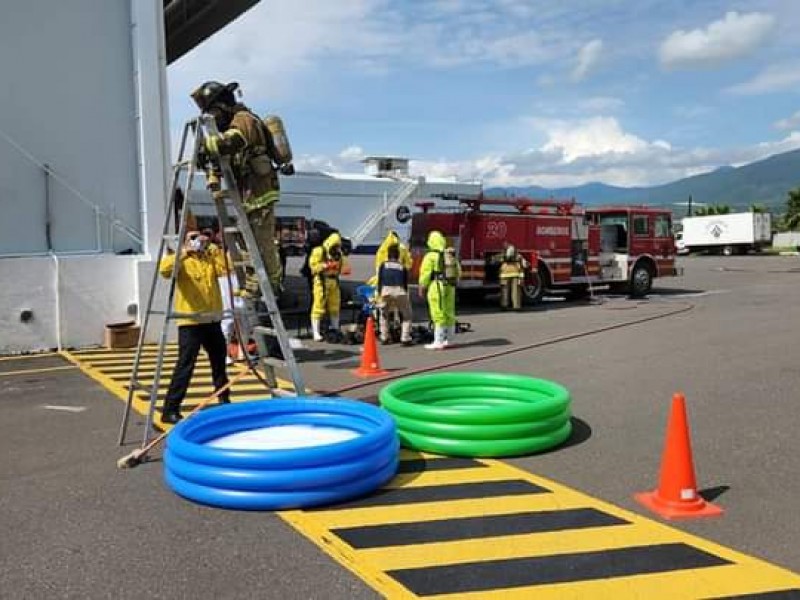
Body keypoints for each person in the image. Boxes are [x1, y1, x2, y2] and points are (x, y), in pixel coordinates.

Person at [190, 81, 294, 295]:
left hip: (260, 191)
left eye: (214, 112)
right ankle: (253, 283)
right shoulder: (233, 122)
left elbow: (232, 142)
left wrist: (207, 145)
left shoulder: (244, 119)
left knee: (262, 241)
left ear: (223, 106)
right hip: (247, 194)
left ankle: (272, 286)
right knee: (246, 240)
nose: (215, 119)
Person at [159, 230, 231, 424]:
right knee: (185, 365)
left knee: (219, 363)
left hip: (211, 320)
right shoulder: (181, 260)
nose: (197, 240)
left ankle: (224, 399)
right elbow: (164, 271)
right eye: (192, 237)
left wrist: (213, 247)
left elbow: (227, 269)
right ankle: (170, 408)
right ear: (184, 241)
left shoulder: (209, 258)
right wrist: (185, 251)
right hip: (190, 321)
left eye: (198, 237)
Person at [418, 231, 460, 350]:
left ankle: (438, 341)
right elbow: (458, 271)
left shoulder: (430, 256)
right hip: (449, 286)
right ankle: (450, 340)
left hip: (436, 286)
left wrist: (422, 287)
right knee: (449, 312)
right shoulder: (449, 254)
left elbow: (425, 273)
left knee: (438, 312)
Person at [308, 232, 348, 342]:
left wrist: (343, 269)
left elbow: (343, 267)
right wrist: (325, 266)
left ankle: (335, 328)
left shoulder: (338, 254)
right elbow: (313, 267)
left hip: (334, 281)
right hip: (321, 282)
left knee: (335, 306)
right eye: (334, 246)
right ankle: (316, 332)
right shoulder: (319, 251)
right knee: (318, 306)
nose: (336, 249)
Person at [376, 244, 413, 345]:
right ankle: (405, 338)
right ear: (398, 255)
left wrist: (379, 294)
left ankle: (384, 337)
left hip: (385, 290)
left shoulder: (383, 265)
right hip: (399, 290)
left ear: (388, 255)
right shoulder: (402, 267)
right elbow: (405, 283)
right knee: (407, 315)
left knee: (384, 314)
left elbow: (379, 280)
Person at [498, 243, 529, 311]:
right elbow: (525, 265)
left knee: (504, 291)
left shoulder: (503, 256)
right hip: (516, 275)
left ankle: (504, 305)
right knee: (516, 292)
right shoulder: (519, 256)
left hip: (504, 275)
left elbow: (495, 260)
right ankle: (516, 306)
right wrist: (522, 278)